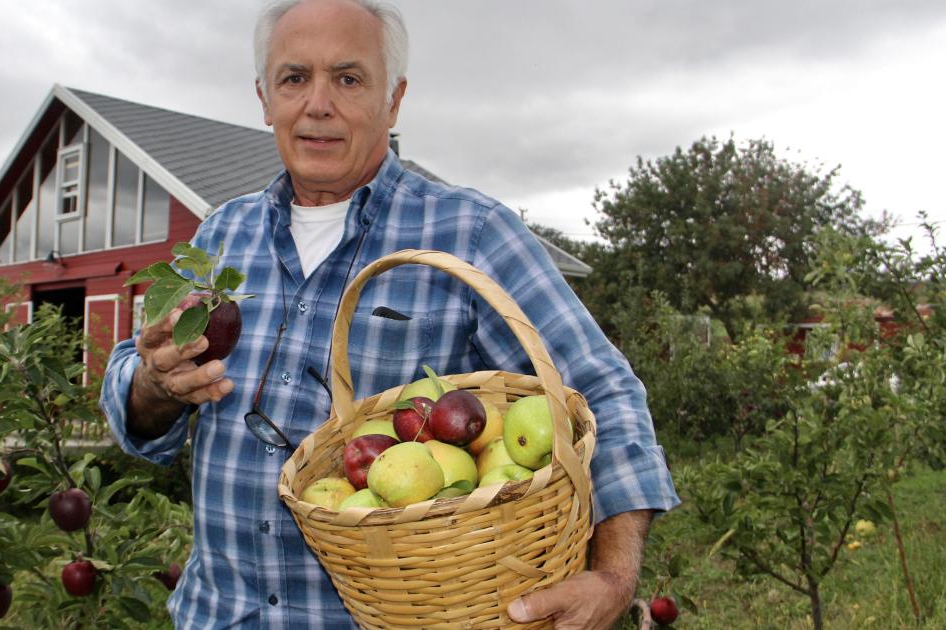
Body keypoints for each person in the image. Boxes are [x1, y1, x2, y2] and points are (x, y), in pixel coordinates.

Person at [100, 0, 680, 627]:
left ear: (394, 100)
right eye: (295, 78)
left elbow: (602, 390)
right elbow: (134, 402)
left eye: (348, 79)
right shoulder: (218, 240)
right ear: (265, 98)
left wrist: (613, 576)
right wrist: (154, 385)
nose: (317, 103)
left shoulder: (471, 235)